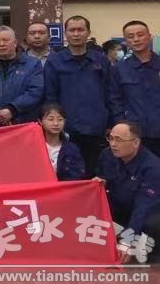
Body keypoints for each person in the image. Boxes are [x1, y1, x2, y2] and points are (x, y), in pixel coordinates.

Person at [44, 15, 121, 175]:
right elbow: (50, 96)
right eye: (72, 30)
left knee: (95, 174)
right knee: (68, 175)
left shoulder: (101, 60)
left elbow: (111, 94)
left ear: (88, 33)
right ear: (65, 33)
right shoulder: (55, 61)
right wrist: (55, 124)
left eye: (80, 30)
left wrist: (112, 123)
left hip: (97, 129)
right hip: (67, 129)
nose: (76, 34)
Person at [96, 121, 160, 263]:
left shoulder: (153, 168)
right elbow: (102, 178)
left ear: (136, 142)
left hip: (146, 213)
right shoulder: (106, 155)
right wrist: (98, 184)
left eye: (119, 140)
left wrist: (127, 241)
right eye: (110, 138)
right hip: (120, 207)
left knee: (153, 222)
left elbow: (143, 207)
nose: (113, 144)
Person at [0, 26, 44, 125]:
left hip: (23, 122)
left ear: (15, 43)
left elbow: (35, 92)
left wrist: (12, 109)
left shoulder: (32, 64)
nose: (2, 44)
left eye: (6, 40)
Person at [115, 21, 160, 156]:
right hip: (135, 134)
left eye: (140, 35)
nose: (136, 39)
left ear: (149, 37)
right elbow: (115, 101)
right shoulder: (119, 69)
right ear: (125, 41)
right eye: (130, 36)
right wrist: (122, 128)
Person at [39, 103, 85, 181]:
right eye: (51, 119)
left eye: (60, 119)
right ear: (40, 121)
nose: (56, 123)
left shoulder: (72, 149)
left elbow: (76, 177)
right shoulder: (33, 147)